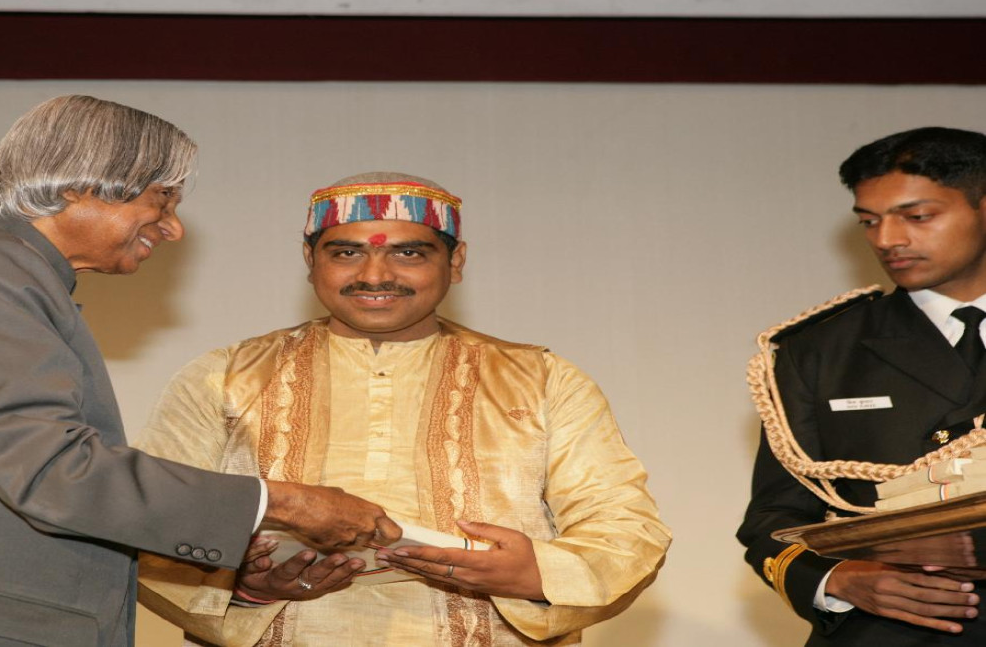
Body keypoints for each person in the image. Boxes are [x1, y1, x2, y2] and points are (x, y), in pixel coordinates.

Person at [0, 95, 399, 647]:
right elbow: (52, 472)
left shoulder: (4, 273)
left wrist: (246, 580)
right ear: (81, 183)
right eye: (161, 199)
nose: (171, 228)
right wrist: (280, 502)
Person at [135, 172, 670, 646]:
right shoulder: (224, 377)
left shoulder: (543, 380)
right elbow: (148, 517)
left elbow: (626, 529)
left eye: (409, 254)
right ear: (310, 261)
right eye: (346, 253)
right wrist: (244, 589)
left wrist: (536, 575)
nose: (374, 275)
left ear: (455, 261)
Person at [738, 127, 986, 646]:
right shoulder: (817, 352)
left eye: (918, 217)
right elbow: (772, 522)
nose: (887, 239)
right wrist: (837, 579)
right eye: (869, 221)